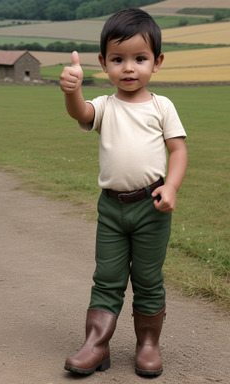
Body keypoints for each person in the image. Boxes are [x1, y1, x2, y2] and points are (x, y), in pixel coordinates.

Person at [60, 7, 188, 377]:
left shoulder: (162, 106)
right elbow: (80, 113)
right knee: (108, 277)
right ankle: (96, 345)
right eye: (118, 59)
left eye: (140, 58)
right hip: (112, 209)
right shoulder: (104, 105)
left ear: (157, 62)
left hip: (152, 206)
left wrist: (172, 187)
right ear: (103, 63)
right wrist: (74, 89)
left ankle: (148, 344)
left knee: (148, 278)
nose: (129, 68)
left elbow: (178, 150)